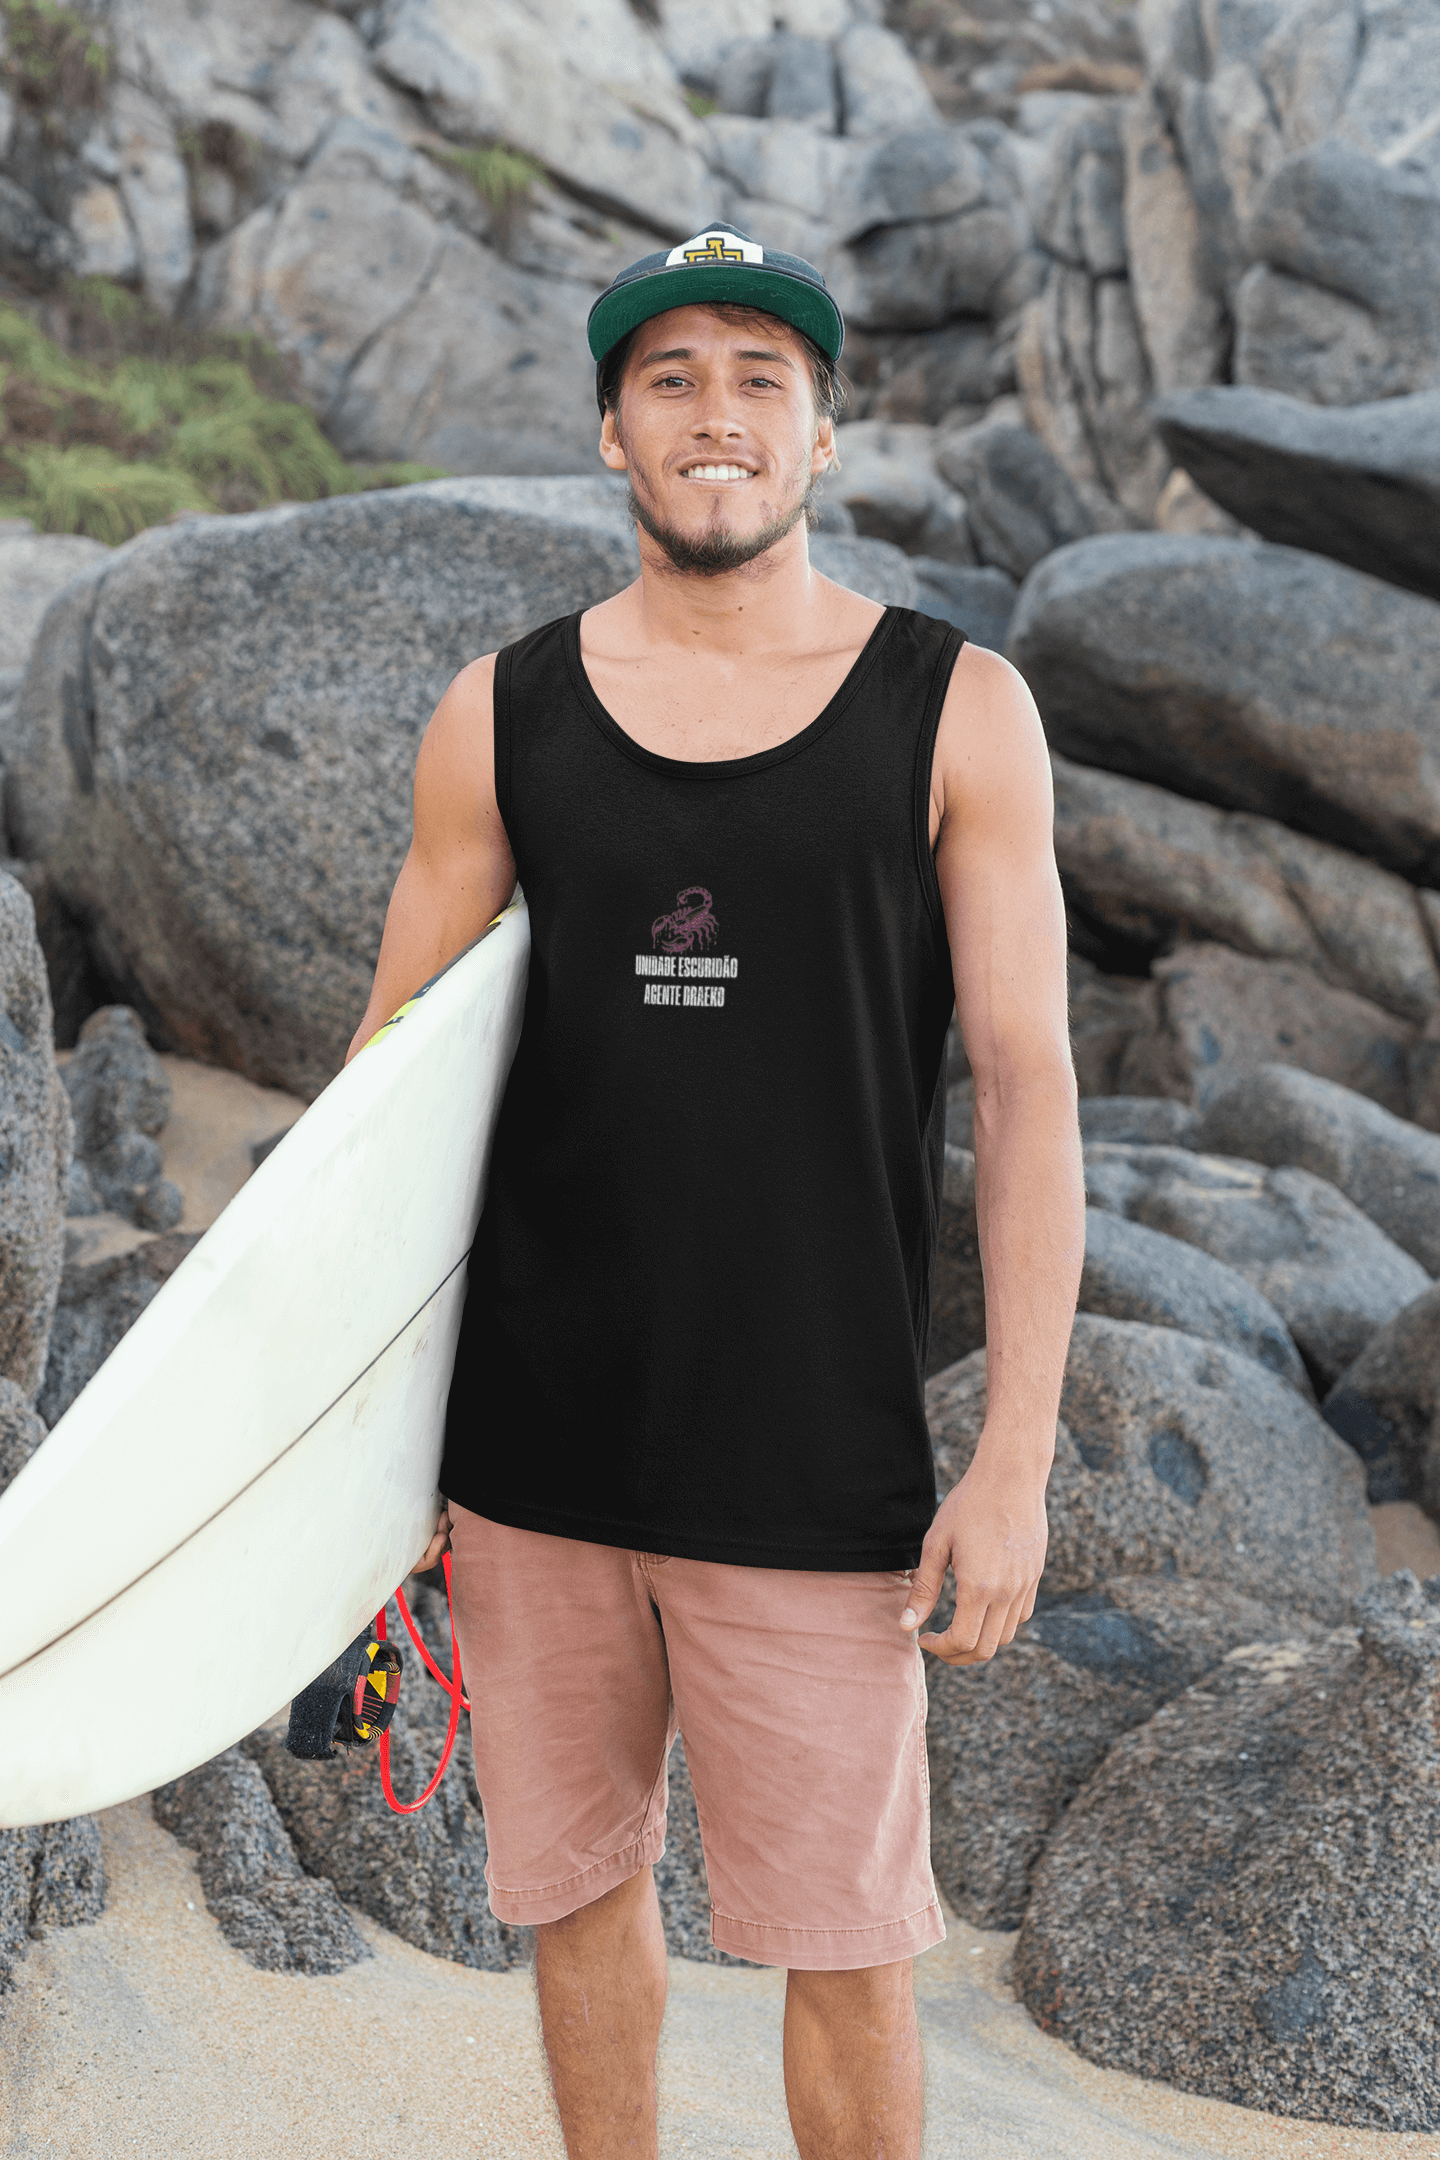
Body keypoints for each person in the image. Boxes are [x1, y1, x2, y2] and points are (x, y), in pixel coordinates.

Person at [349, 223, 1084, 2160]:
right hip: (532, 1456)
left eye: (763, 378)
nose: (716, 415)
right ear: (610, 432)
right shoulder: (495, 719)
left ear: (825, 435)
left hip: (816, 1465)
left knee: (847, 1949)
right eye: (669, 377)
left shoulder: (957, 712)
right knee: (577, 1907)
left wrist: (1013, 1451)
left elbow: (1024, 1090)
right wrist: (354, 1458)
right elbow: (383, 1098)